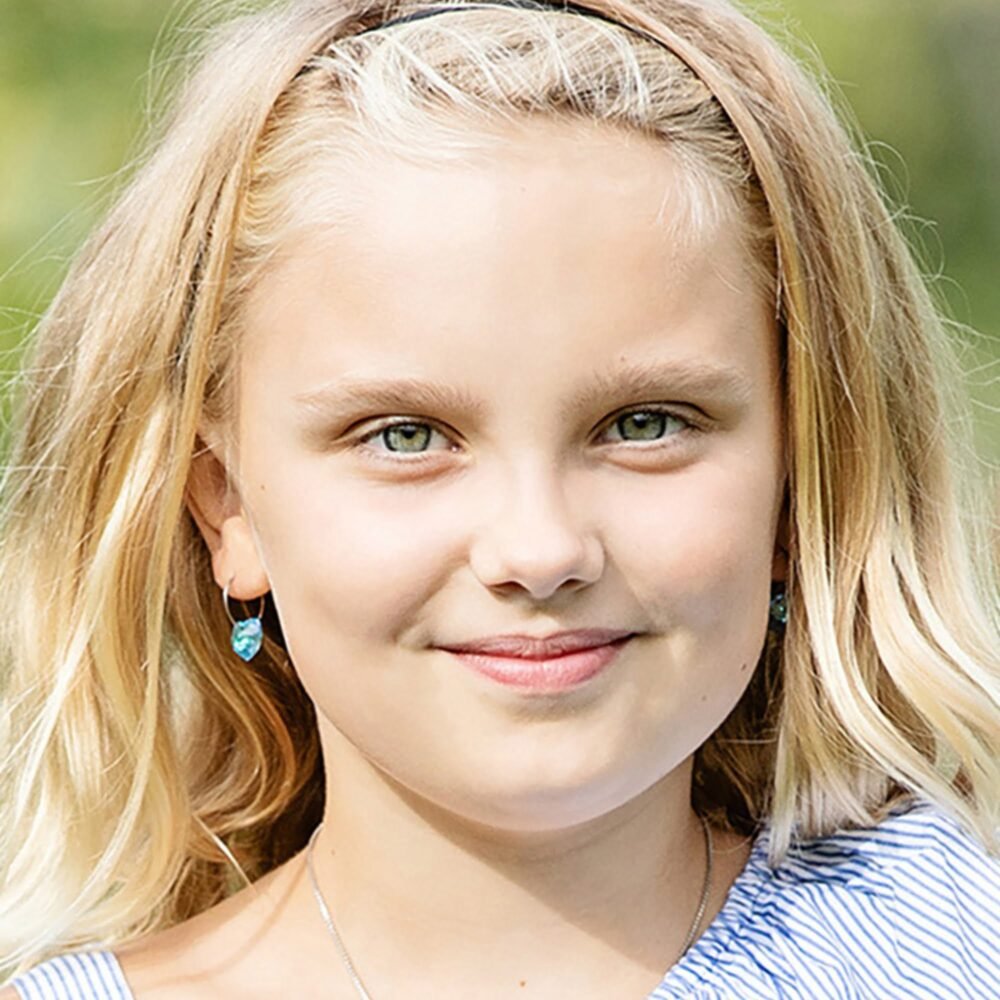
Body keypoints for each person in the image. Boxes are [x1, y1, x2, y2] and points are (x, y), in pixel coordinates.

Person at [1, 0, 997, 997]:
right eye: (405, 436)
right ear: (228, 511)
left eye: (645, 423)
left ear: (797, 476)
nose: (539, 546)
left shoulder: (959, 935)